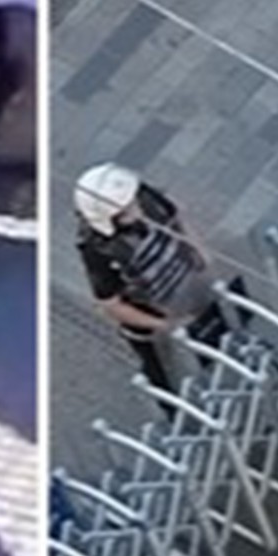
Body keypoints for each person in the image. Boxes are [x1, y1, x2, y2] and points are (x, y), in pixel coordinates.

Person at [74, 164, 234, 395]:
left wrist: (199, 252)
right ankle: (170, 401)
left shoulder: (139, 193)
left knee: (219, 332)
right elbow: (110, 304)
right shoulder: (97, 249)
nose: (137, 213)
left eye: (133, 204)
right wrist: (165, 326)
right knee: (162, 369)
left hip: (186, 286)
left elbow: (175, 216)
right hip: (153, 316)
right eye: (125, 212)